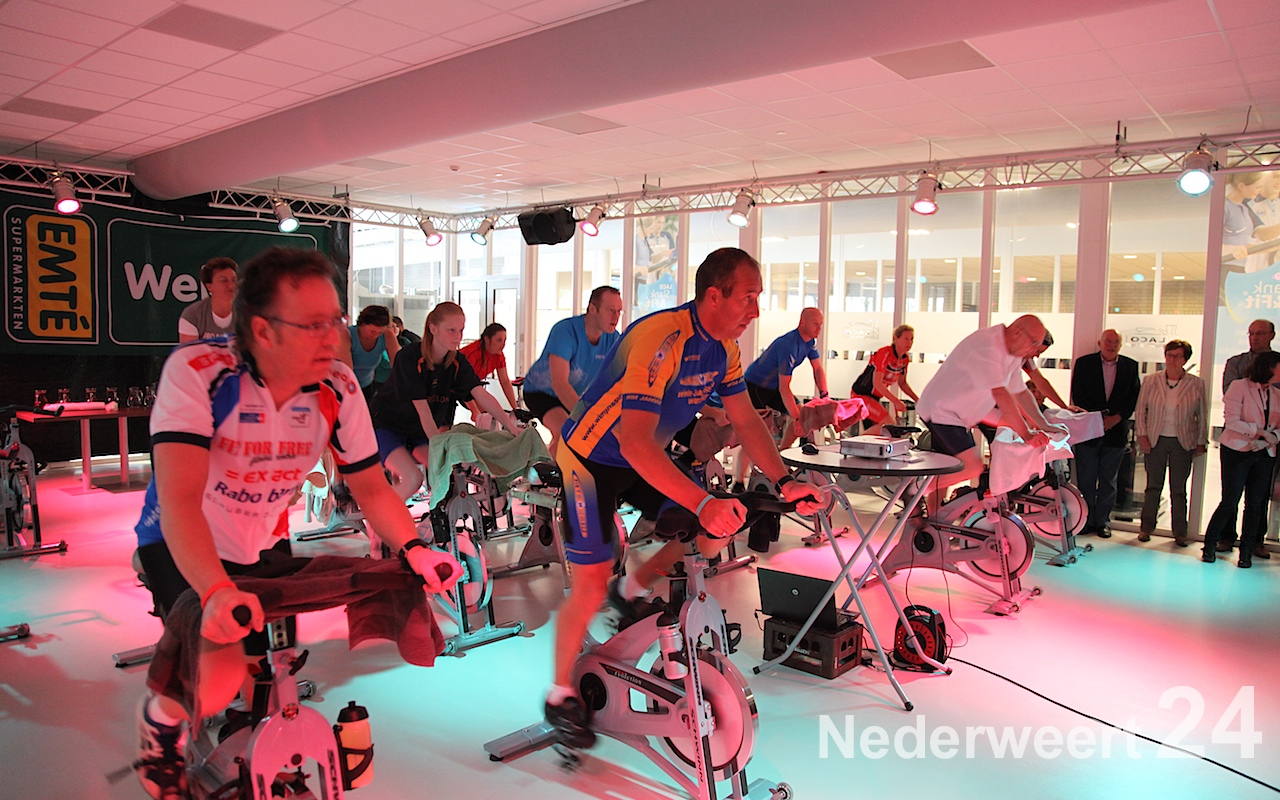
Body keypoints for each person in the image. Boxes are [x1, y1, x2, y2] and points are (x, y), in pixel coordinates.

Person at [132, 247, 461, 799]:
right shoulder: (198, 373)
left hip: (262, 539)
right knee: (216, 681)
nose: (334, 338)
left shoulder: (338, 386)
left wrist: (414, 548)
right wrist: (214, 589)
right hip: (180, 538)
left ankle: (254, 740)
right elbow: (181, 499)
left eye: (336, 320)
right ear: (262, 330)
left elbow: (370, 485)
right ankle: (159, 730)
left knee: (269, 665)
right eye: (313, 325)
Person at [544, 248, 823, 748]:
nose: (756, 310)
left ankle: (632, 588)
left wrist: (785, 481)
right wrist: (701, 501)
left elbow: (745, 420)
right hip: (590, 459)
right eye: (748, 297)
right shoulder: (661, 338)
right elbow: (633, 442)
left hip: (640, 457)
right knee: (589, 584)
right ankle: (560, 694)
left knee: (714, 532)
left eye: (758, 298)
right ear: (714, 296)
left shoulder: (725, 349)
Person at [370, 302, 521, 501]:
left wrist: (510, 425)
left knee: (447, 474)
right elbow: (423, 411)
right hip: (388, 426)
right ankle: (380, 518)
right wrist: (438, 447)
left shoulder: (457, 362)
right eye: (451, 330)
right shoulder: (409, 358)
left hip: (417, 432)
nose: (458, 336)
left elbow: (481, 394)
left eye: (461, 330)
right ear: (433, 329)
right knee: (413, 478)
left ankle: (434, 517)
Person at [916, 315, 1054, 511]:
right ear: (1017, 333)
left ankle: (932, 517)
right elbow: (1001, 394)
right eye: (1034, 344)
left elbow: (1021, 393)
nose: (1034, 352)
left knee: (950, 466)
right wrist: (1026, 434)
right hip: (942, 410)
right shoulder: (987, 346)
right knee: (972, 467)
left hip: (967, 411)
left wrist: (1043, 425)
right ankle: (914, 490)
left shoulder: (1013, 355)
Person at [731, 308, 829, 488]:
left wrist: (825, 395)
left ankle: (782, 459)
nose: (819, 329)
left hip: (774, 387)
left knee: (804, 417)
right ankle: (738, 482)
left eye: (821, 324)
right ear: (802, 322)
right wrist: (797, 419)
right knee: (755, 436)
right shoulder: (788, 345)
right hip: (755, 387)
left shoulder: (809, 342)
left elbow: (817, 368)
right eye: (815, 324)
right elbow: (785, 387)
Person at [522, 286, 624, 456]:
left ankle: (548, 466)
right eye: (610, 310)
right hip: (541, 393)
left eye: (619, 311)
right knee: (567, 433)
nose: (616, 317)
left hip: (576, 395)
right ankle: (550, 471)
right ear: (592, 309)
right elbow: (560, 383)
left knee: (581, 438)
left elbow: (619, 381)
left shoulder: (613, 338)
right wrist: (588, 418)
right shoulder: (565, 331)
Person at [1201, 351, 1280, 567]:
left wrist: (1268, 440)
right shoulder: (1239, 386)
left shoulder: (1276, 393)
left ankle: (1246, 552)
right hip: (1236, 450)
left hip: (1264, 453)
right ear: (1268, 367)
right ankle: (1210, 545)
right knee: (1230, 501)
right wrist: (1260, 433)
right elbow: (1232, 421)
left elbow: (1277, 428)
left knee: (1255, 504)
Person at [1134, 340, 1208, 547]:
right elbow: (1140, 410)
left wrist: (1201, 440)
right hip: (1155, 438)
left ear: (1185, 359)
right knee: (1153, 486)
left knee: (1178, 489)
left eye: (1177, 356)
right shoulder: (1151, 380)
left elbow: (1202, 415)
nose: (1172, 360)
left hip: (1182, 441)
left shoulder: (1196, 383)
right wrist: (1142, 435)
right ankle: (1146, 528)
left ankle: (1180, 532)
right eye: (1169, 355)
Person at [1069, 329, 1140, 538]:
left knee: (1109, 481)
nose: (1111, 345)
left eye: (1116, 342)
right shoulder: (1084, 363)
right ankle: (1085, 521)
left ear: (1120, 345)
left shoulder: (1130, 366)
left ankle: (1103, 522)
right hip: (1088, 431)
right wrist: (1097, 420)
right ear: (1100, 343)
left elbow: (1133, 398)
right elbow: (1078, 395)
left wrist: (1115, 419)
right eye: (1108, 341)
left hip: (1115, 433)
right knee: (1086, 479)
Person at [1215, 319, 1277, 552]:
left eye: (1260, 333)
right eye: (1251, 333)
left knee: (1259, 496)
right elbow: (1230, 395)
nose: (1255, 337)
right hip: (1237, 437)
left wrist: (1267, 435)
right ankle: (1226, 537)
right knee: (1230, 494)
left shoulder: (1278, 363)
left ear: (1271, 335)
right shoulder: (1236, 362)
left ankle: (1255, 541)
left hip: (1269, 440)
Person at [850, 323, 919, 436]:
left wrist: (918, 400)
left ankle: (860, 443)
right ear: (896, 339)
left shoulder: (905, 359)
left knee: (878, 433)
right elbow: (877, 383)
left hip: (874, 398)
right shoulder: (885, 353)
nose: (909, 343)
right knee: (888, 424)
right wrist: (896, 402)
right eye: (906, 339)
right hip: (861, 395)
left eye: (912, 339)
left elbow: (902, 383)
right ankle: (854, 443)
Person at [340, 305, 400, 402]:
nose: (375, 335)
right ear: (362, 324)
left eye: (380, 332)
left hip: (367, 385)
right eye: (372, 331)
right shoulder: (346, 335)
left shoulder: (387, 335)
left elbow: (398, 366)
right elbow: (347, 371)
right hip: (344, 385)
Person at [460, 322, 520, 411]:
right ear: (487, 339)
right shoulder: (473, 353)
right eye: (499, 340)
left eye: (504, 341)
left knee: (490, 410)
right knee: (485, 411)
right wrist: (475, 410)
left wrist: (516, 408)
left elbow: (505, 381)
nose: (503, 345)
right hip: (452, 383)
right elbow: (462, 384)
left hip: (470, 385)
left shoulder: (498, 355)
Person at [177, 257, 237, 342]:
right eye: (224, 280)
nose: (231, 285)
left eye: (234, 280)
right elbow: (189, 350)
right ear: (209, 287)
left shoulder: (247, 314)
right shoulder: (192, 315)